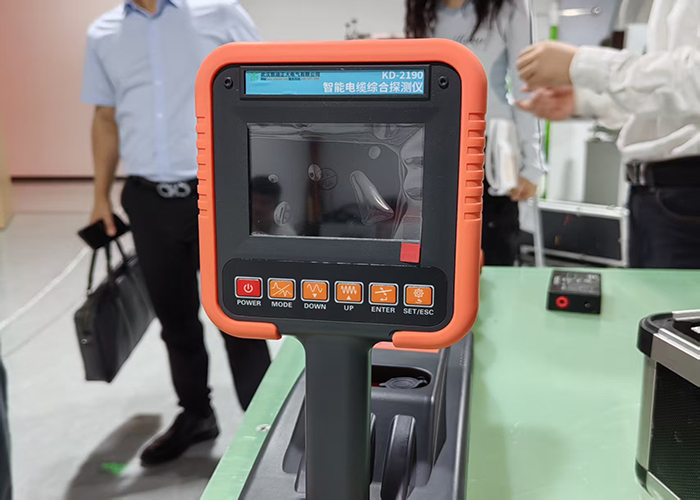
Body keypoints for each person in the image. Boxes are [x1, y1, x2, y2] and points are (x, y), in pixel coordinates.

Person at [81, 0, 271, 466]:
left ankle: (267, 422)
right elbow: (104, 117)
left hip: (218, 193)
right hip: (147, 200)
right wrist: (100, 196)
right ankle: (197, 414)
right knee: (175, 319)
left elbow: (263, 89)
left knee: (239, 315)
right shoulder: (103, 33)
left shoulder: (220, 13)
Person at [516, 0, 700, 269]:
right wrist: (584, 101)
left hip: (685, 192)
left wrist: (580, 63)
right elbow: (673, 105)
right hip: (656, 195)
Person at [406, 0, 546, 265]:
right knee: (439, 255)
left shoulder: (509, 8)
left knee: (494, 253)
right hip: (435, 148)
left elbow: (525, 88)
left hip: (490, 152)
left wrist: (533, 166)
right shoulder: (423, 11)